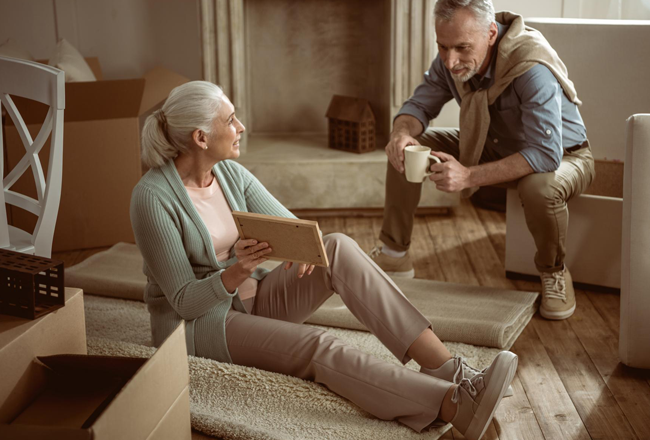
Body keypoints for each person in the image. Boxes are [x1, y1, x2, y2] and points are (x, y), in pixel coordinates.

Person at [130, 81, 517, 439]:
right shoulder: (152, 197)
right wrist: (237, 271)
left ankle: (448, 368)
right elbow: (183, 302)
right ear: (201, 137)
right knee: (319, 344)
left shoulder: (229, 173)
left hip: (254, 300)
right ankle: (453, 405)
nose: (241, 126)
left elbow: (297, 232)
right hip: (200, 327)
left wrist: (305, 252)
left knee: (336, 246)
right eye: (230, 120)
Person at [369, 0, 595, 321]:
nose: (450, 61)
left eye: (461, 47)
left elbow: (545, 153)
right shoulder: (452, 58)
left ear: (491, 33)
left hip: (564, 155)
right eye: (442, 46)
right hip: (494, 146)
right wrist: (400, 135)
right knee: (410, 146)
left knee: (539, 189)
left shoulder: (530, 67)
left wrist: (468, 176)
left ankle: (553, 271)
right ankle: (394, 252)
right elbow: (419, 105)